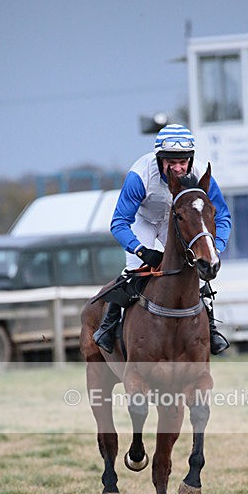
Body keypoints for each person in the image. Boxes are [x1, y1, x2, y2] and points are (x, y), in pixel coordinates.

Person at [93, 124, 232, 355]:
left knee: (196, 273)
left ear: (191, 159)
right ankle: (108, 327)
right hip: (144, 221)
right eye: (170, 162)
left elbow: (223, 216)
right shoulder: (140, 175)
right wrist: (140, 250)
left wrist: (213, 248)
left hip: (180, 221)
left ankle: (211, 329)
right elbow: (119, 222)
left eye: (183, 161)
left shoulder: (200, 173)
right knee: (135, 270)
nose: (177, 168)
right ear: (159, 159)